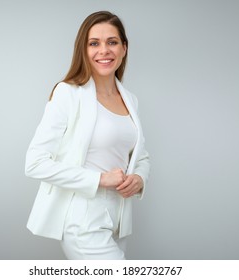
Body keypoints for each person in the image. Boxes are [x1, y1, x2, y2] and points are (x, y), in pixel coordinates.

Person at [25, 11, 150, 260]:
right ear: (84, 49)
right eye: (94, 43)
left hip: (119, 219)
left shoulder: (130, 100)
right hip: (83, 218)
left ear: (124, 48)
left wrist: (139, 179)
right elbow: (35, 163)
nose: (104, 50)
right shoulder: (68, 93)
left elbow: (141, 156)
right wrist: (100, 179)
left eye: (112, 42)